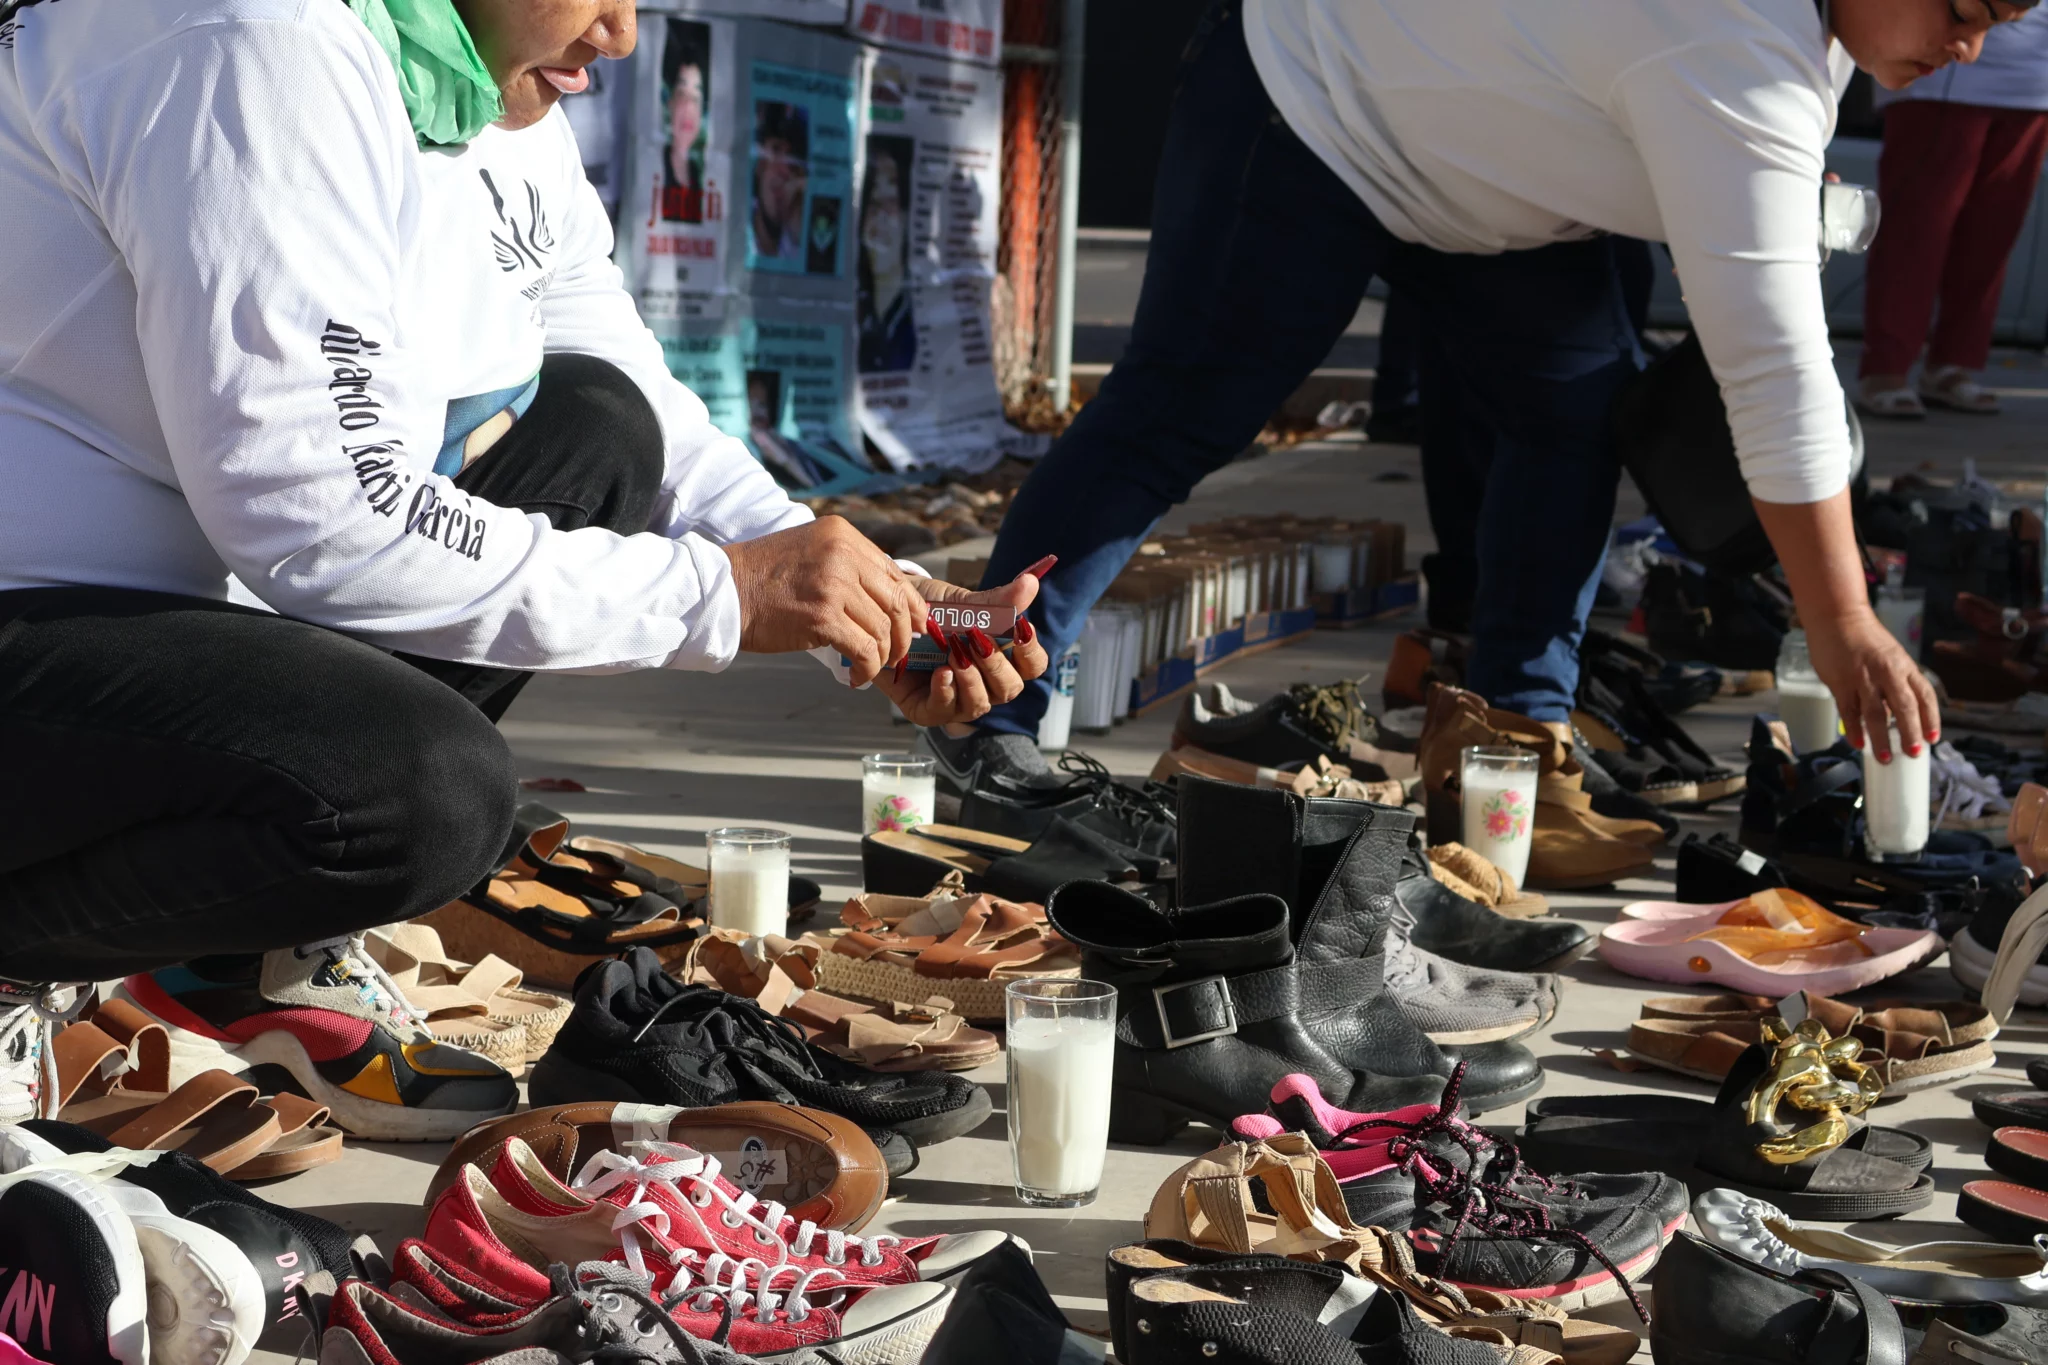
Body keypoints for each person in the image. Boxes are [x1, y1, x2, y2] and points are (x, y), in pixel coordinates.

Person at [0, 0, 1047, 1070]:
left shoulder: (470, 77)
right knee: (414, 789)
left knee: (593, 430)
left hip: (160, 617)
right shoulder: (246, 44)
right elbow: (319, 525)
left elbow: (635, 394)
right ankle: (23, 964)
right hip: (31, 627)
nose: (623, 34)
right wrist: (726, 594)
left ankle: (220, 947)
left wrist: (865, 595)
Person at [933, 0, 1994, 800]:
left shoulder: (1776, 44)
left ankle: (1506, 751)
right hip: (1313, 101)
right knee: (1172, 417)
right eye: (1962, 9)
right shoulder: (1734, 55)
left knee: (1573, 418)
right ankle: (987, 728)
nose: (1969, 49)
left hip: (1493, 186)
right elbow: (1770, 373)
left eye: (2000, 23)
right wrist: (1841, 621)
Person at [1857, 8, 2048, 416]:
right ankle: (1886, 369)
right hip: (1942, 72)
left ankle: (1953, 365)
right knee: (1918, 230)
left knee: (1992, 234)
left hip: (2033, 78)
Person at [858, 138, 919, 373]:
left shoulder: (917, 326)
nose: (881, 216)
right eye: (873, 203)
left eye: (892, 201)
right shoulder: (859, 316)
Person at [660, 19, 710, 223]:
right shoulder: (657, 166)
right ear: (669, 103)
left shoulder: (701, 177)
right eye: (682, 94)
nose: (689, 107)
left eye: (696, 98)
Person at [751, 102, 809, 263]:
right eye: (776, 151)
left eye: (795, 162)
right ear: (760, 166)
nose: (786, 171)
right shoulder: (733, 228)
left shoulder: (798, 241)